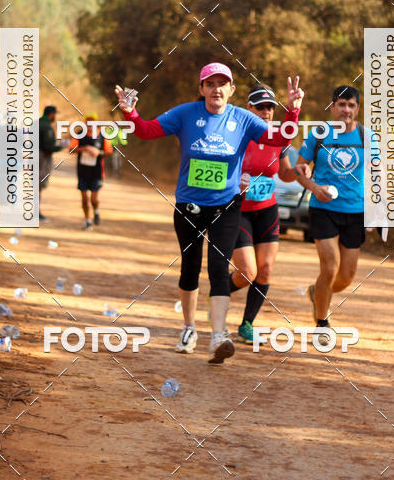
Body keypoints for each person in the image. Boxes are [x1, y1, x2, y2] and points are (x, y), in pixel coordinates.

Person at [115, 63, 304, 364]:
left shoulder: (243, 119)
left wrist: (292, 110)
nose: (216, 89)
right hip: (189, 205)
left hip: (226, 205)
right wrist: (130, 113)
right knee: (190, 268)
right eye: (210, 83)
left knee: (218, 267)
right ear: (201, 89)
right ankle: (189, 328)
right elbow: (148, 131)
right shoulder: (185, 114)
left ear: (231, 90)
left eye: (222, 84)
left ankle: (218, 336)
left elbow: (280, 140)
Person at [230, 85, 311, 344]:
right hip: (238, 210)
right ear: (248, 108)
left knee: (264, 271)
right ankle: (219, 291)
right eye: (260, 107)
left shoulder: (279, 139)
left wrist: (299, 171)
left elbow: (284, 174)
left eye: (270, 108)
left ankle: (246, 324)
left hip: (267, 209)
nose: (266, 112)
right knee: (246, 273)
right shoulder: (236, 135)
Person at [292, 85, 367, 341]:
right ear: (332, 106)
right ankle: (322, 323)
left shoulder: (367, 137)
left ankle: (317, 292)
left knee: (346, 277)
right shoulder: (319, 134)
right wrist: (315, 187)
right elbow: (299, 168)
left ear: (357, 109)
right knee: (330, 267)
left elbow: (377, 177)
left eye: (352, 105)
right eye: (342, 104)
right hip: (323, 209)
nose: (346, 109)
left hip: (355, 212)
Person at [75, 115, 112, 229]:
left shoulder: (102, 136)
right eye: (88, 122)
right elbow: (71, 149)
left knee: (93, 199)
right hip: (82, 171)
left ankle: (96, 210)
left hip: (97, 172)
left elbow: (109, 152)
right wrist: (85, 148)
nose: (90, 124)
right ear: (85, 122)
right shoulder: (79, 134)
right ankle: (87, 220)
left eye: (93, 122)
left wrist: (98, 152)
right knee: (84, 199)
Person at [38, 105, 62, 222]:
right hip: (42, 157)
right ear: (51, 114)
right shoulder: (46, 126)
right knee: (39, 184)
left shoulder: (36, 123)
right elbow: (48, 146)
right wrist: (60, 147)